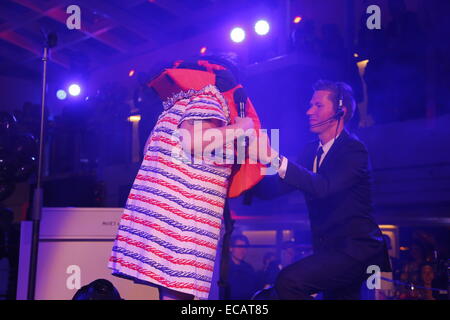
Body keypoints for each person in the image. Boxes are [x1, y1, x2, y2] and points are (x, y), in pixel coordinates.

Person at [108, 56, 259, 300]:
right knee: (178, 296)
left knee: (168, 293)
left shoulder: (176, 105)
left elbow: (149, 149)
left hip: (160, 215)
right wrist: (241, 128)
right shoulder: (211, 97)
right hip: (184, 221)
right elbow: (193, 142)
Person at [253, 80, 391, 300]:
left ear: (340, 111)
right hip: (331, 252)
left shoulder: (354, 150)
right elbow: (274, 188)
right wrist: (237, 175)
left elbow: (322, 186)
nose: (309, 111)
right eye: (310, 105)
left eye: (318, 105)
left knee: (289, 281)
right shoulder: (310, 151)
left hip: (357, 252)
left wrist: (273, 157)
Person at [228, 234, 258, 300]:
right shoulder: (223, 268)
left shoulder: (248, 268)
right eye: (239, 247)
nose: (243, 250)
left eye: (245, 247)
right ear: (231, 248)